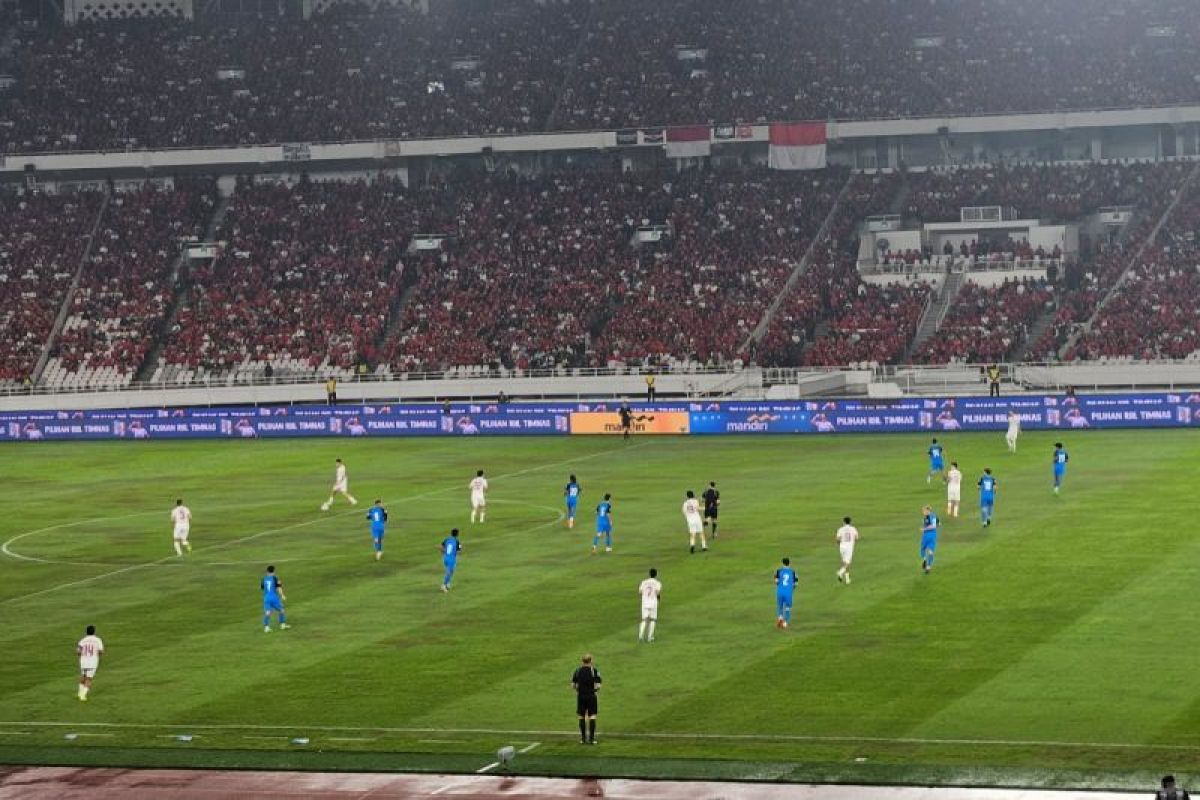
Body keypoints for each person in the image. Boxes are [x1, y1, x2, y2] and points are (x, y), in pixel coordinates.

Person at [571, 654, 601, 745]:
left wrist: (578, 690)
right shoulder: (594, 671)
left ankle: (583, 739)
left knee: (581, 716)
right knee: (592, 716)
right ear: (591, 661)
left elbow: (573, 685)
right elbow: (598, 685)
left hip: (581, 696)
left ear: (582, 661)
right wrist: (594, 690)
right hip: (591, 696)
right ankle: (592, 739)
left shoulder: (577, 670)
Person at [76, 625, 104, 701]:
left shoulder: (83, 640)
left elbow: (78, 651)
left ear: (86, 631)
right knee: (89, 679)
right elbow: (101, 651)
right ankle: (82, 695)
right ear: (94, 631)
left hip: (83, 661)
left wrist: (83, 654)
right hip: (92, 662)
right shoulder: (98, 640)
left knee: (83, 677)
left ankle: (79, 693)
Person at [262, 565, 289, 632]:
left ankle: (266, 627)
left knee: (268, 612)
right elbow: (279, 588)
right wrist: (282, 595)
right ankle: (282, 625)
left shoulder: (264, 579)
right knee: (281, 610)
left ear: (267, 571)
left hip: (266, 598)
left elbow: (263, 588)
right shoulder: (275, 578)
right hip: (274, 597)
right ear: (274, 571)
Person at [637, 568, 662, 642]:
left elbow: (640, 592)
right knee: (653, 620)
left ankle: (640, 636)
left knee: (644, 619)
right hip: (653, 603)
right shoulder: (658, 583)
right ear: (656, 574)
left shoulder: (644, 582)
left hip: (645, 603)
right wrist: (659, 599)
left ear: (649, 574)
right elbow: (657, 593)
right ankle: (650, 638)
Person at [774, 557, 798, 629]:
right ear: (789, 563)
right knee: (788, 608)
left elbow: (776, 581)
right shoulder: (793, 572)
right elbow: (796, 584)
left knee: (780, 606)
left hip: (780, 591)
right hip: (788, 592)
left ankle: (780, 618)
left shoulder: (778, 571)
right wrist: (790, 589)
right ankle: (785, 623)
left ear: (782, 563)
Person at [835, 516, 859, 584]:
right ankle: (840, 572)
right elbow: (857, 538)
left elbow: (837, 539)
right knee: (848, 563)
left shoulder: (840, 529)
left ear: (844, 522)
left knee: (845, 563)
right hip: (849, 547)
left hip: (842, 547)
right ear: (850, 522)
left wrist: (839, 544)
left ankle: (847, 579)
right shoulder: (853, 529)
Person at [920, 505, 938, 574]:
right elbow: (938, 524)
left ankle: (926, 563)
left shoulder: (932, 516)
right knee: (928, 550)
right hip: (930, 535)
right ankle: (927, 564)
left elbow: (933, 526)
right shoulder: (928, 517)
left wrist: (924, 529)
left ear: (927, 511)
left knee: (924, 549)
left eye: (924, 511)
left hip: (929, 535)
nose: (923, 512)